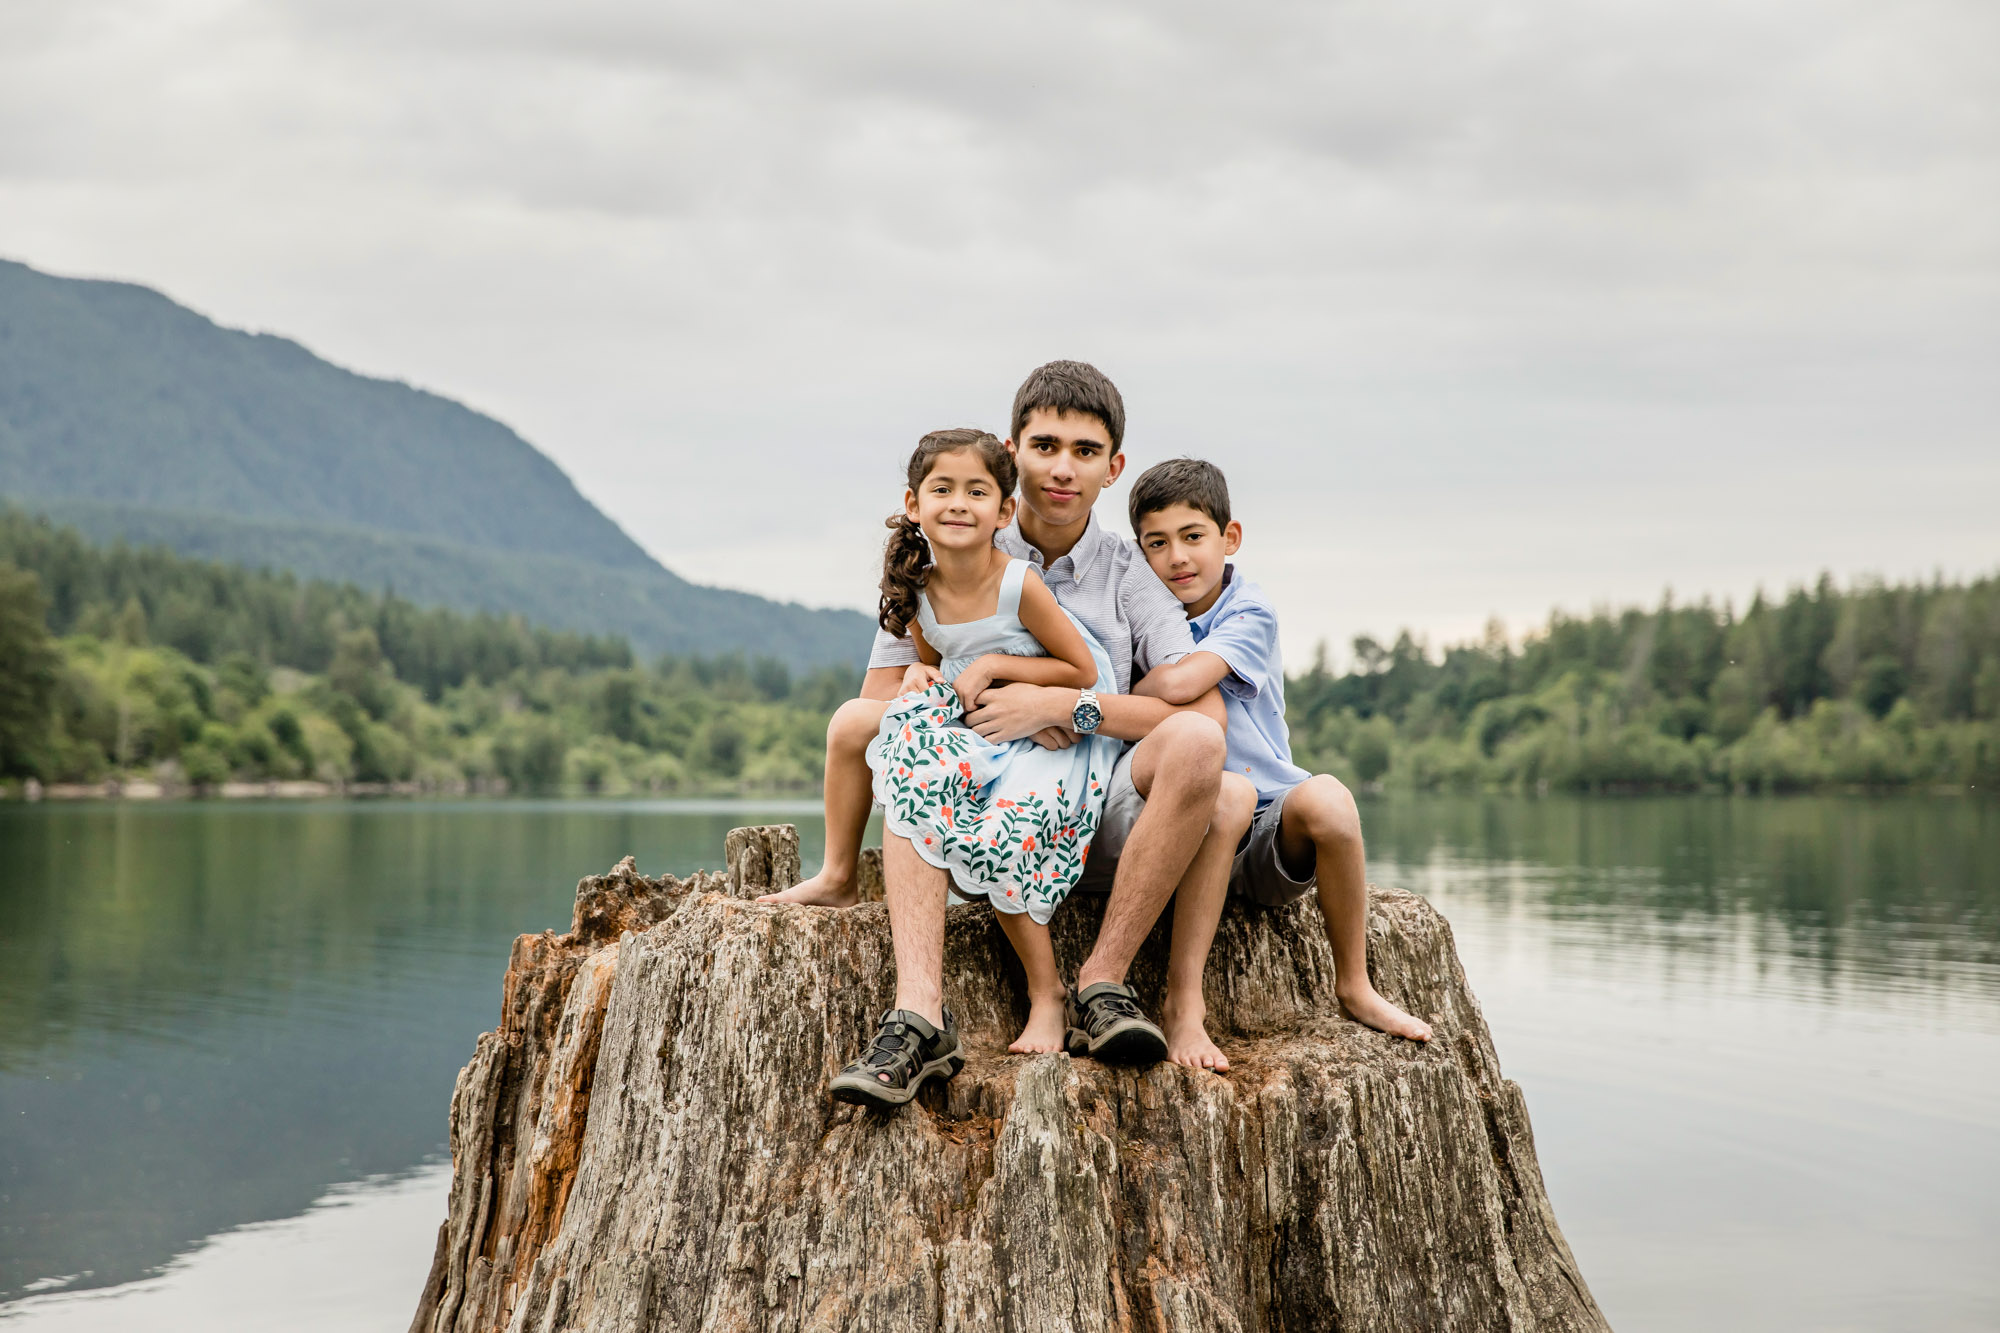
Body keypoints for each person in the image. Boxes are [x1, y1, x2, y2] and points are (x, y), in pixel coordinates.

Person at [766, 361, 1250, 1106]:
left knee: (1202, 750)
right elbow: (881, 694)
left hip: (1096, 788)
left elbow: (1201, 719)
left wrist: (1063, 707)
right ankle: (919, 1012)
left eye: (1085, 452)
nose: (1062, 468)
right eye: (1045, 445)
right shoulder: (953, 546)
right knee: (891, 730)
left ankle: (1101, 981)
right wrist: (933, 685)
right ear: (1011, 449)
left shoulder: (1130, 572)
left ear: (1112, 468)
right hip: (982, 785)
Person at [830, 430, 1121, 1094]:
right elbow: (935, 665)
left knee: (1009, 821)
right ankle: (911, 998)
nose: (959, 503)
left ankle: (1048, 992)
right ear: (913, 502)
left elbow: (1078, 669)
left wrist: (994, 665)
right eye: (943, 489)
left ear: (1003, 509)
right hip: (981, 720)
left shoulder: (1019, 583)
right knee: (917, 775)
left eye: (977, 491)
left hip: (1053, 719)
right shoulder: (916, 591)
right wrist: (915, 679)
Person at [1125, 458, 1433, 1057]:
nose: (1177, 558)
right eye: (1156, 544)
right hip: (1187, 825)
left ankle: (1355, 983)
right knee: (1222, 798)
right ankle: (1184, 1004)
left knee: (1332, 800)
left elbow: (1187, 683)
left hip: (1268, 830)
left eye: (1193, 537)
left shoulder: (1248, 610)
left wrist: (1138, 689)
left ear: (1229, 538)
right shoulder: (1138, 614)